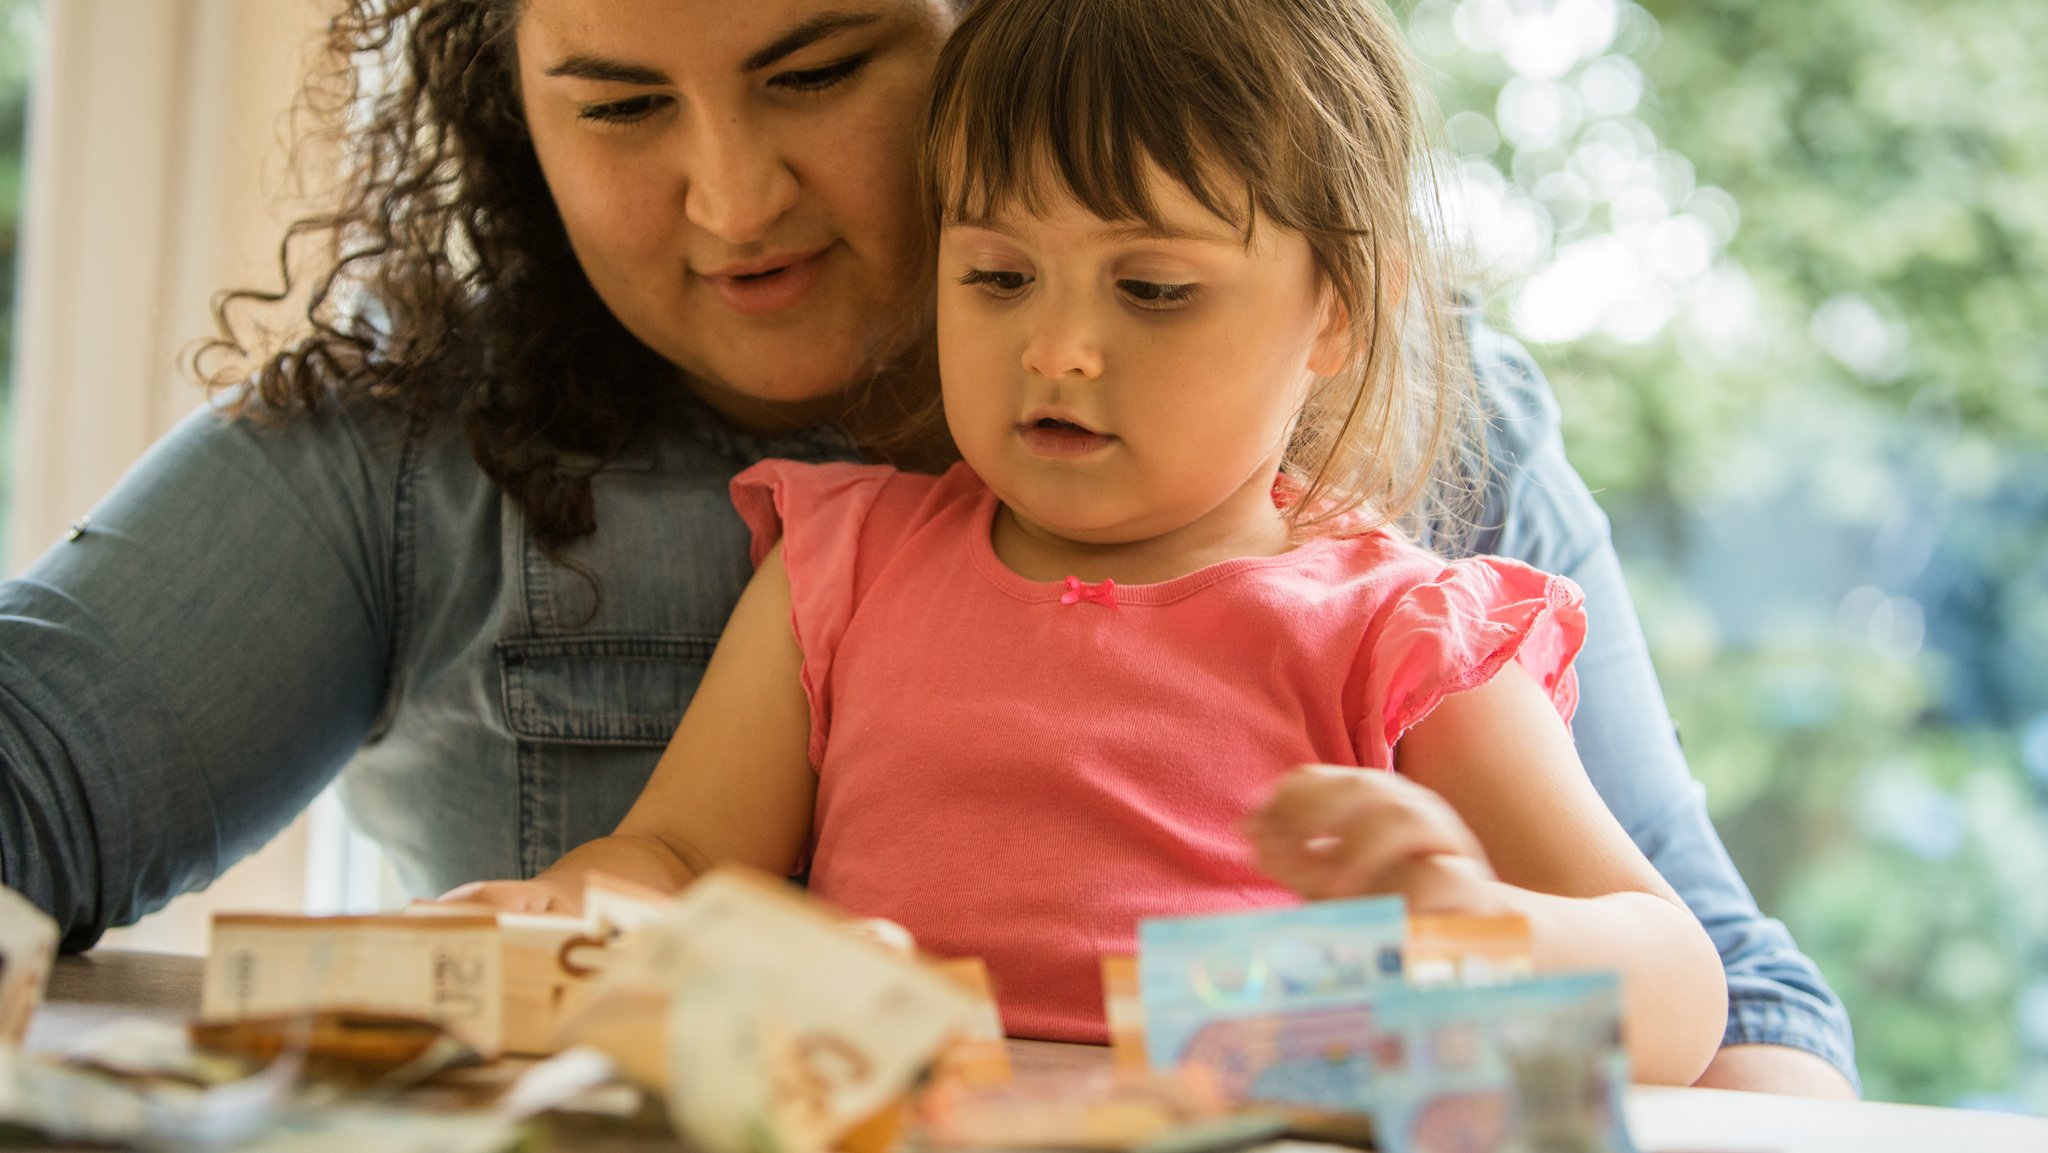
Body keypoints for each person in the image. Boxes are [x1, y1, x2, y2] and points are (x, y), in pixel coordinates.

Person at [0, 0, 1854, 1094]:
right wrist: (593, 921)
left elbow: (1714, 996)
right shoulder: (814, 546)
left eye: (813, 69)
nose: (729, 203)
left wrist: (1491, 968)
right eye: (620, 101)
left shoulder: (1419, 531)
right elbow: (667, 863)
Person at [446, 0, 1737, 1085]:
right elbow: (675, 857)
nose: (1056, 347)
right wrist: (587, 906)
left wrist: (1482, 937)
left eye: (1153, 289)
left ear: (1339, 308)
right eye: (998, 277)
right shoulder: (843, 569)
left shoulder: (1400, 634)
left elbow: (1679, 986)